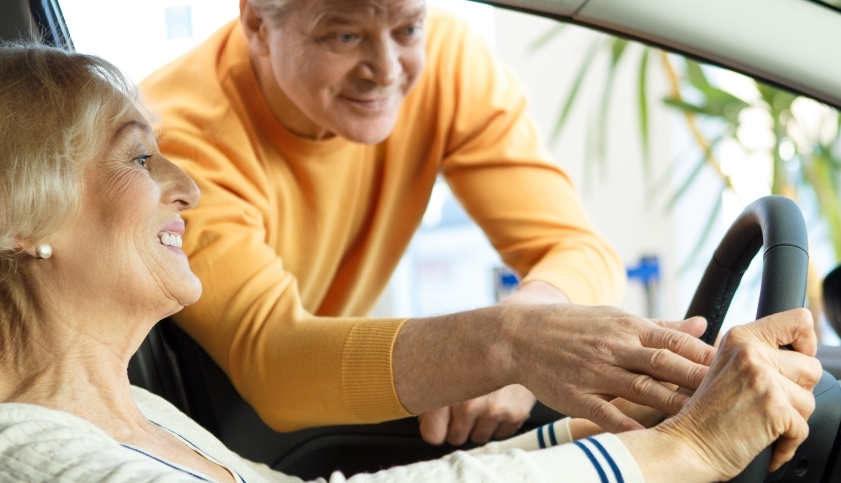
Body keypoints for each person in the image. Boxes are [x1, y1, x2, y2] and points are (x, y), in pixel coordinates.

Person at [0, 46, 841, 483]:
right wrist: (683, 449)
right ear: (11, 213)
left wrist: (606, 426)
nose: (186, 187)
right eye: (138, 160)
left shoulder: (129, 411)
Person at [139, 0, 633, 446]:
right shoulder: (179, 142)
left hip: (334, 413)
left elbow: (579, 249)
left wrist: (534, 322)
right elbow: (275, 362)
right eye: (344, 36)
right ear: (256, 24)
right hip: (225, 438)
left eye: (408, 29)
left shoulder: (449, 59)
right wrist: (501, 345)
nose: (387, 70)